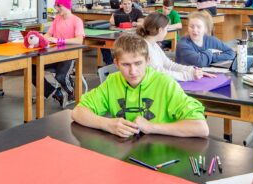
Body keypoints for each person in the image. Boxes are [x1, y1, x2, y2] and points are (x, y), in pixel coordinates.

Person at [72, 33, 208, 138]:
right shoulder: (112, 81)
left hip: (161, 154)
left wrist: (152, 127)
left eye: (138, 63)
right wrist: (107, 124)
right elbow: (78, 112)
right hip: (124, 154)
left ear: (148, 61)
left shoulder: (166, 84)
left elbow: (201, 128)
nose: (133, 71)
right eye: (126, 65)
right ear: (116, 63)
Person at [31, 0, 85, 107]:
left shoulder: (77, 21)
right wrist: (41, 39)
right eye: (56, 6)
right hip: (54, 54)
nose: (57, 9)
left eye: (59, 6)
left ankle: (72, 93)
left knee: (60, 76)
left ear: (67, 6)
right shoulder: (57, 19)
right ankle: (55, 93)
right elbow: (49, 34)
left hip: (70, 56)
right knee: (32, 70)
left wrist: (59, 40)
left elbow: (79, 40)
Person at [135, 12, 202, 82]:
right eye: (167, 29)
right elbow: (160, 73)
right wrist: (188, 75)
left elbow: (168, 64)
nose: (167, 32)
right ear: (160, 30)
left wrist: (191, 69)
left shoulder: (154, 44)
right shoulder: (144, 47)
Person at [102, 0, 144, 66]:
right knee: (103, 43)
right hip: (118, 34)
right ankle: (109, 63)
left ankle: (126, 61)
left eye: (128, 3)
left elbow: (142, 22)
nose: (127, 6)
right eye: (125, 4)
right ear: (121, 4)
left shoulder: (137, 11)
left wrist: (135, 23)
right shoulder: (118, 11)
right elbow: (111, 22)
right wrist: (114, 15)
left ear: (131, 3)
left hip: (132, 36)